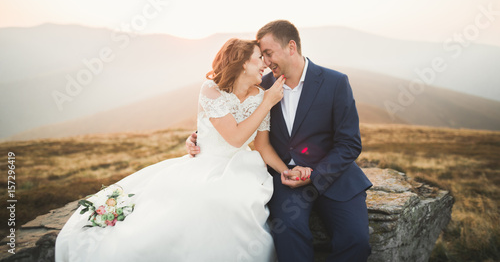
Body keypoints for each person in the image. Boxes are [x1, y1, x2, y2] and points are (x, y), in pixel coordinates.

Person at [55, 38, 312, 262]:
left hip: (243, 168)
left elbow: (263, 146)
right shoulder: (211, 90)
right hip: (205, 163)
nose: (265, 65)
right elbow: (234, 137)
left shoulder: (260, 95)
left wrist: (285, 171)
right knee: (192, 201)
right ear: (243, 62)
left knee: (234, 202)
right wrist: (267, 103)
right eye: (259, 59)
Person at [187, 20, 373, 262]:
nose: (265, 62)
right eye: (261, 56)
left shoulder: (335, 82)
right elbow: (229, 115)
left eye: (268, 53)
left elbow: (350, 143)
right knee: (289, 235)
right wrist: (197, 136)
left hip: (335, 177)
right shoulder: (259, 86)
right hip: (285, 180)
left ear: (291, 47)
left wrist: (314, 175)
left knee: (356, 241)